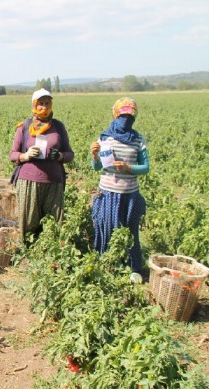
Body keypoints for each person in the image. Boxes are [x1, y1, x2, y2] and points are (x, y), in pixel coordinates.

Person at [90, 97, 149, 282]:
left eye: (130, 116)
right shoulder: (105, 137)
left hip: (129, 194)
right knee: (106, 229)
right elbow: (97, 168)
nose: (126, 119)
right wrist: (94, 155)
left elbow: (146, 167)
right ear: (116, 115)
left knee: (130, 232)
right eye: (123, 115)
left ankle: (133, 268)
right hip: (107, 193)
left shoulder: (138, 139)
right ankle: (107, 263)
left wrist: (128, 168)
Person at [9, 89, 74, 239]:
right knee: (29, 224)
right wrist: (25, 155)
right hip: (29, 181)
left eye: (47, 103)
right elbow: (12, 154)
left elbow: (70, 154)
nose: (44, 107)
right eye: (40, 103)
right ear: (34, 105)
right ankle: (28, 253)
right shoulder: (25, 126)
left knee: (53, 224)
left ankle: (50, 257)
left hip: (54, 182)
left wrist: (60, 156)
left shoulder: (58, 126)